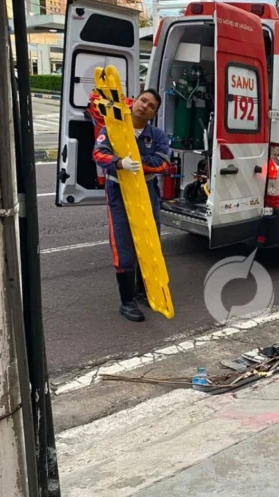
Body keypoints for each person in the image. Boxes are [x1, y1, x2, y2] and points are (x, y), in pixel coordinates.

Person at [92, 88, 170, 322]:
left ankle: (144, 290)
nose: (144, 106)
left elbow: (162, 163)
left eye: (151, 106)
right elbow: (98, 154)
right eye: (143, 100)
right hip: (118, 192)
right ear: (134, 101)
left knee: (149, 241)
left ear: (153, 113)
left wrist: (136, 162)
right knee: (123, 244)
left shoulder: (157, 135)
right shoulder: (113, 129)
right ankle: (127, 301)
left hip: (147, 192)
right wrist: (119, 162)